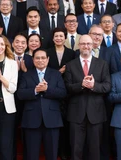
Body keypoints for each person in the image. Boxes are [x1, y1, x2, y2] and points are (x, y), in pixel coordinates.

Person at [64, 34, 111, 160]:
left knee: (95, 150)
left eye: (89, 44)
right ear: (79, 45)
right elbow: (67, 87)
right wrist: (81, 85)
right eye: (83, 43)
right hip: (76, 113)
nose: (86, 46)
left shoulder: (102, 64)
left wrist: (94, 85)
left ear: (93, 45)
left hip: (96, 113)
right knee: (76, 149)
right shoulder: (70, 65)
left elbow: (107, 86)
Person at [17, 48, 66, 160]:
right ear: (33, 60)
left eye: (43, 58)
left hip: (52, 119)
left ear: (48, 59)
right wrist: (35, 90)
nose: (40, 60)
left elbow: (63, 92)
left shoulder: (55, 74)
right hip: (31, 120)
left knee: (52, 154)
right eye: (37, 58)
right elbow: (20, 93)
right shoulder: (27, 75)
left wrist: (47, 90)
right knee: (31, 155)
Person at [47, 27, 75, 160]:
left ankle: (65, 152)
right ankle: (55, 151)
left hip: (68, 93)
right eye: (56, 36)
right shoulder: (47, 53)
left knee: (66, 124)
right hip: (52, 92)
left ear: (65, 38)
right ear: (53, 38)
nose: (58, 38)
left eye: (61, 36)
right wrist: (58, 73)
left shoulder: (72, 53)